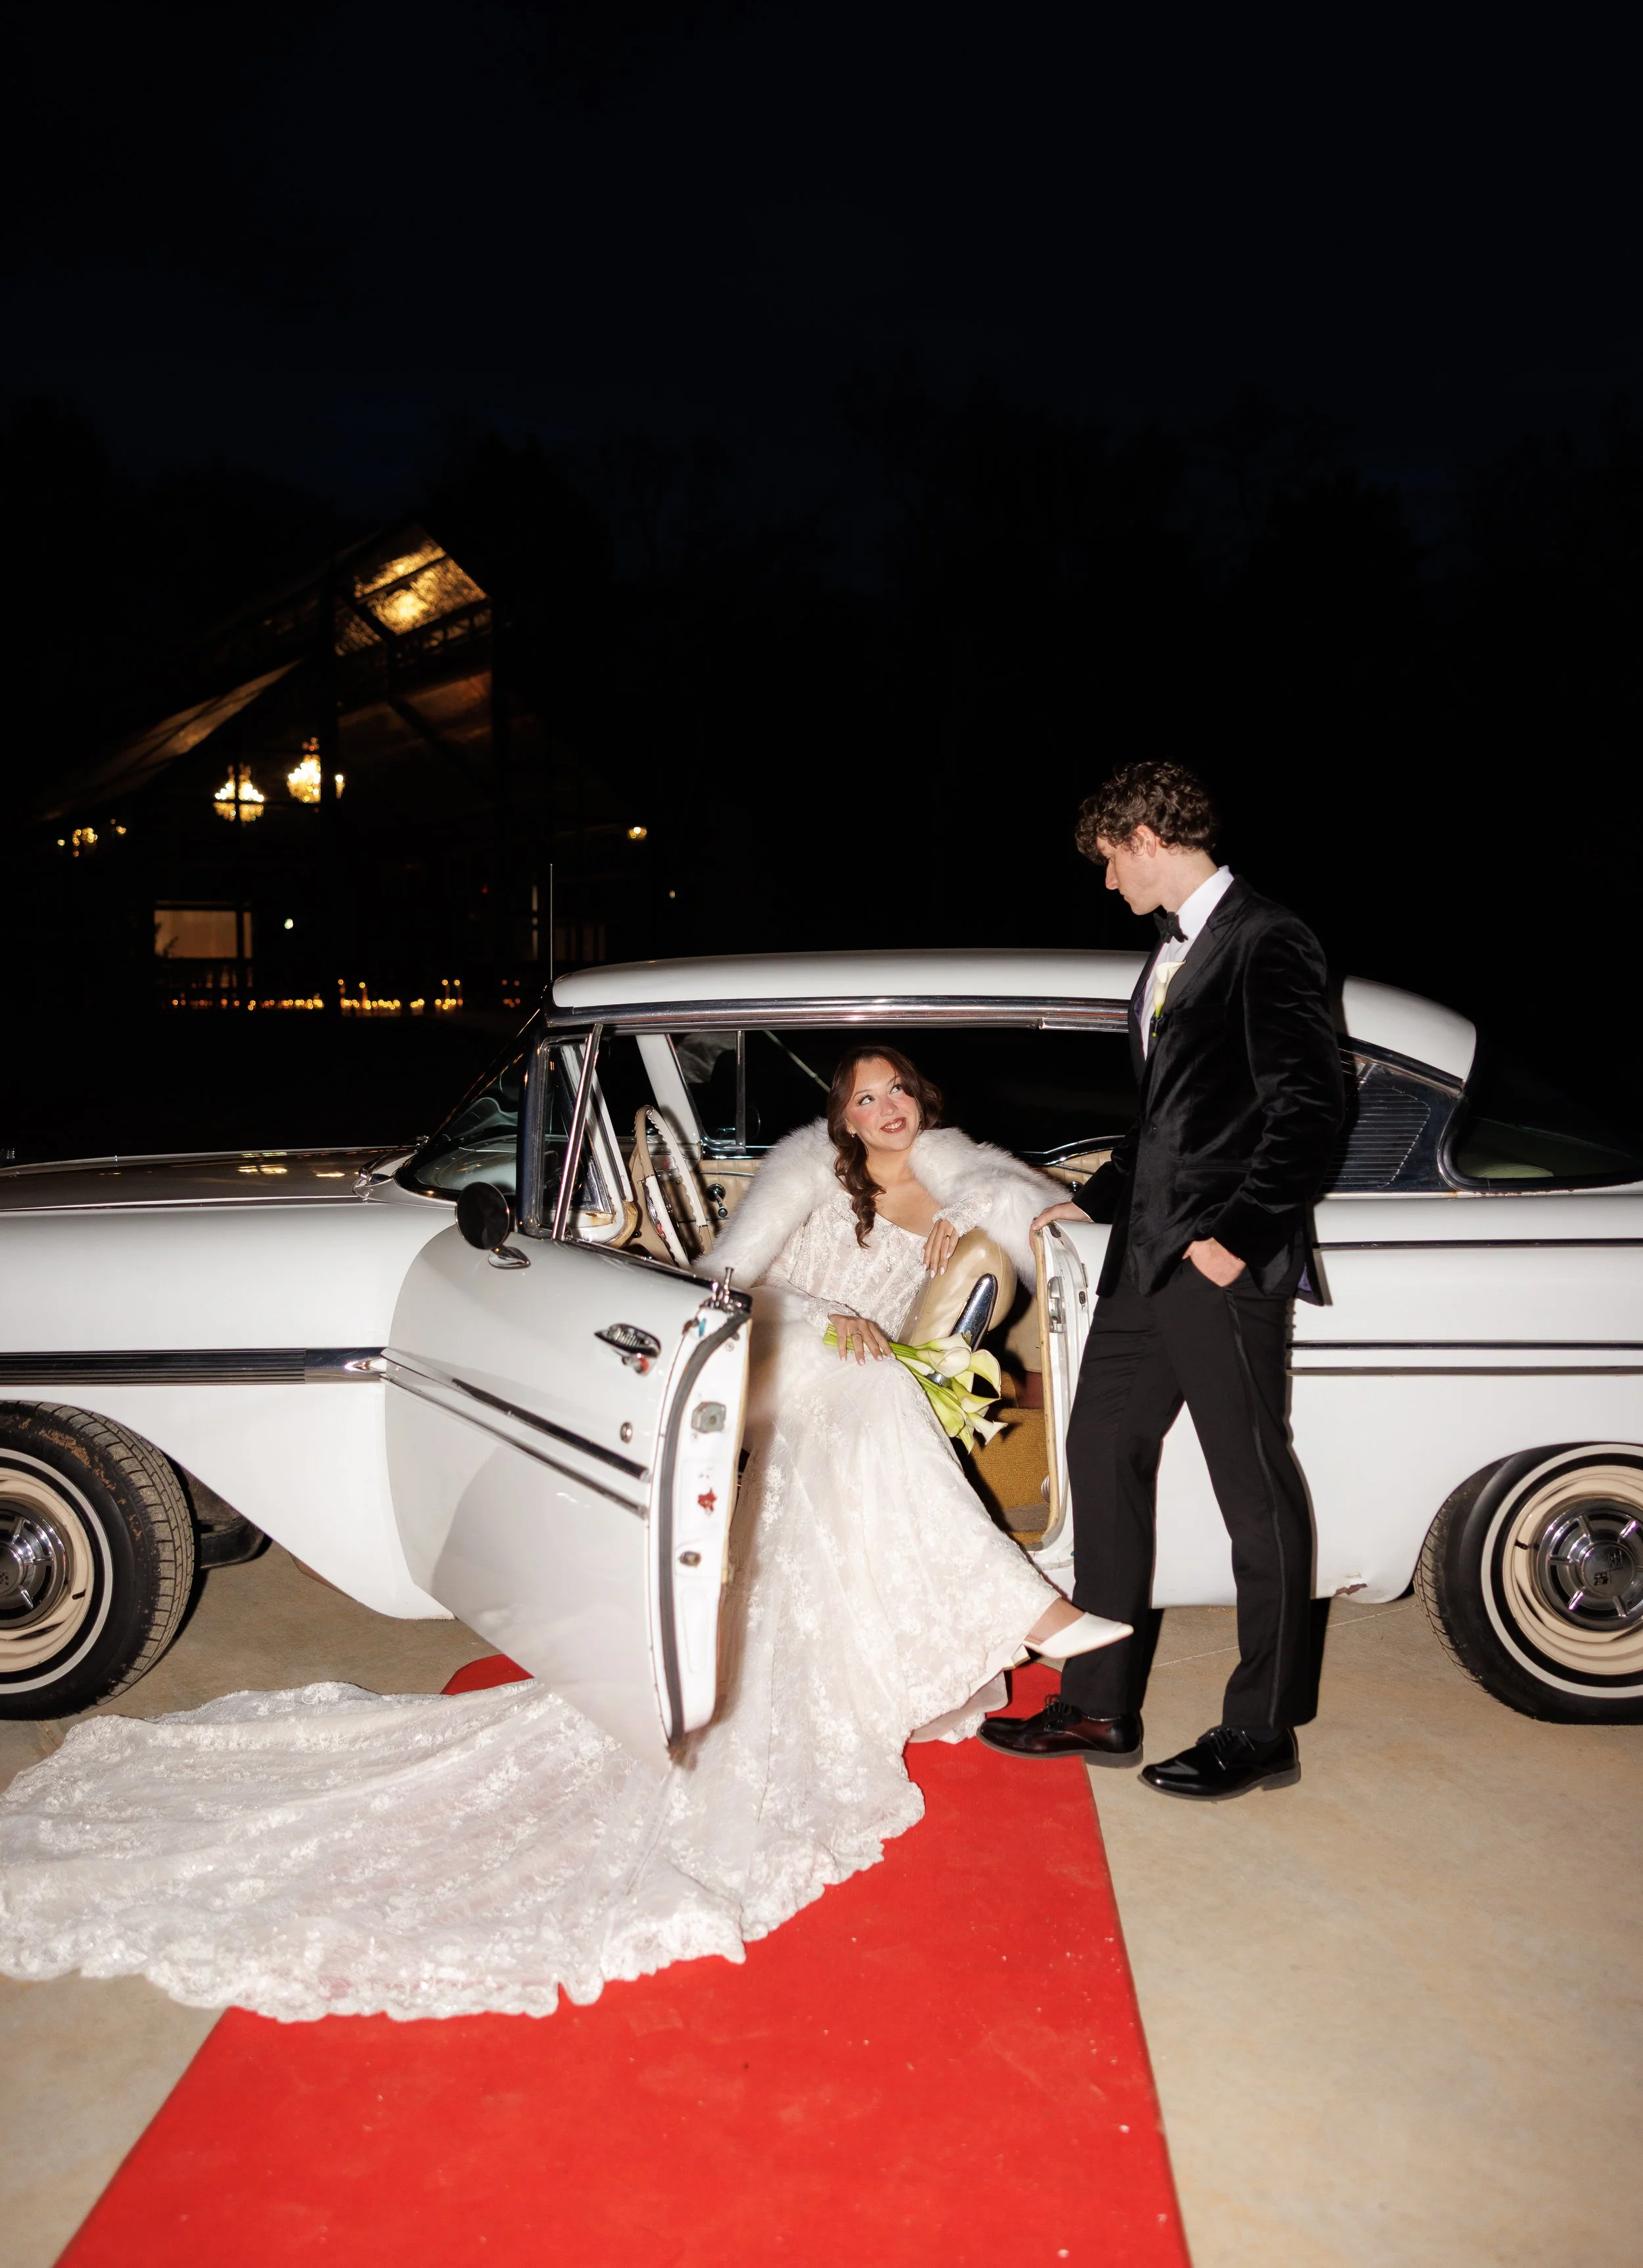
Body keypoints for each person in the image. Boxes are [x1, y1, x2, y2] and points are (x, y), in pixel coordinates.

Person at [0, 1048, 1126, 2021]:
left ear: (922, 1105)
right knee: (869, 1393)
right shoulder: (801, 1177)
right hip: (779, 1346)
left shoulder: (956, 1179)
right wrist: (831, 1317)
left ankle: (1015, 1603)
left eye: (898, 1096)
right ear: (839, 1117)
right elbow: (729, 1281)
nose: (884, 1112)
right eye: (865, 1100)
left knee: (878, 1404)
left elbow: (1040, 1218)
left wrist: (984, 1230)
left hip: (861, 1374)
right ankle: (1022, 1603)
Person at [981, 760, 1344, 1799]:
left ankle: (1264, 1730)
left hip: (1218, 1264)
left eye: (1108, 862)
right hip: (1147, 1260)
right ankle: (1099, 1706)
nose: (1107, 884)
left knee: (1253, 1490)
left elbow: (1311, 1109)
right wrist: (1093, 1200)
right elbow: (1173, 1120)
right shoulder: (1171, 954)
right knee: (1101, 1451)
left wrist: (1237, 1235)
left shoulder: (1269, 939)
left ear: (1144, 836)